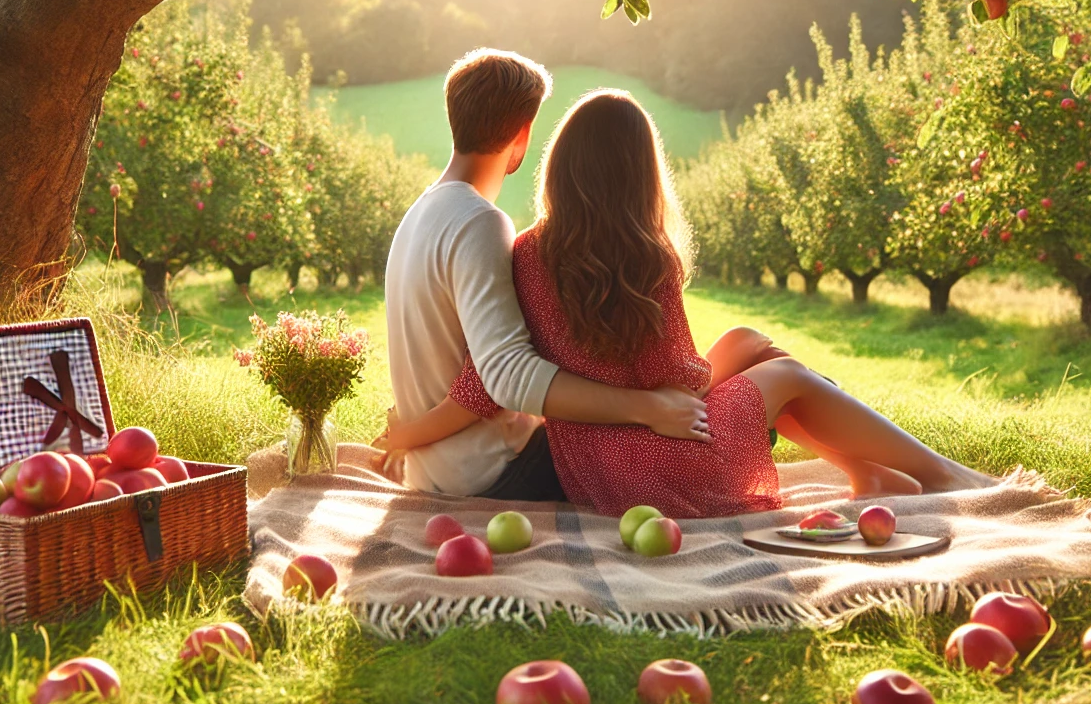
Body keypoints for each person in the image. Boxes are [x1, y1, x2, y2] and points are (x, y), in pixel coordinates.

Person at [384, 89, 996, 518]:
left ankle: (864, 470)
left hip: (589, 463)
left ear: (560, 169)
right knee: (780, 372)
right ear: (641, 174)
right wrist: (731, 376)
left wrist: (409, 432)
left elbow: (489, 379)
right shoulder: (648, 258)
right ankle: (941, 474)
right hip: (658, 460)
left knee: (747, 343)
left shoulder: (525, 253)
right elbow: (676, 385)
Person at [379, 51, 711, 501]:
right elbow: (505, 376)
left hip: (435, 468)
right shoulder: (479, 223)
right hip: (492, 472)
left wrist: (411, 435)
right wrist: (647, 407)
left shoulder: (419, 215)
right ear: (523, 132)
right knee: (692, 428)